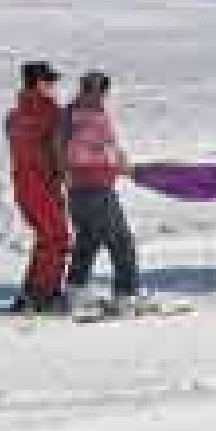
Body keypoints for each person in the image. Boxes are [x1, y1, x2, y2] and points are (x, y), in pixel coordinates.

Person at [61, 71, 141, 315]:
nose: (103, 94)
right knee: (122, 242)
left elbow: (106, 146)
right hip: (94, 187)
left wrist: (120, 161)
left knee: (89, 238)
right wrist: (112, 163)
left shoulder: (71, 112)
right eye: (101, 89)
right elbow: (79, 152)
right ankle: (126, 296)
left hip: (77, 189)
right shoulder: (87, 115)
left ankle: (76, 290)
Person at [6, 61, 69, 312]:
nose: (54, 86)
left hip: (23, 184)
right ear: (39, 83)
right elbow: (60, 152)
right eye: (50, 81)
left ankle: (31, 295)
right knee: (57, 238)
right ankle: (44, 296)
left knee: (47, 238)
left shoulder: (14, 115)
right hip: (42, 184)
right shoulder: (51, 114)